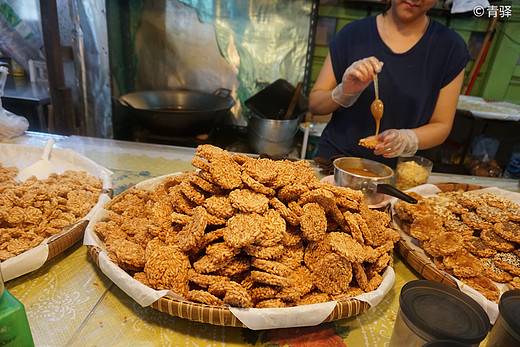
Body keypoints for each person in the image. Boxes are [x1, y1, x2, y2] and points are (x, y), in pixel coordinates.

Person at [309, 0, 471, 167]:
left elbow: (441, 126)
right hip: (335, 164)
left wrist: (406, 139)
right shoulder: (352, 35)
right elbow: (315, 105)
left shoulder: (450, 47)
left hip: (398, 174)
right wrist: (343, 92)